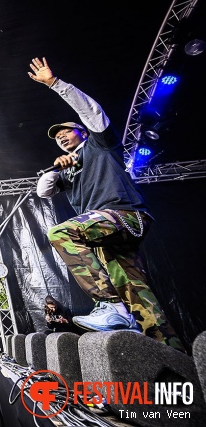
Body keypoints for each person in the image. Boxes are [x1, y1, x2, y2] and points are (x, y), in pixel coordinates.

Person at [30, 57, 182, 351]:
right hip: (108, 235)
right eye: (57, 137)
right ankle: (170, 351)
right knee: (136, 290)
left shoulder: (100, 144)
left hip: (124, 215)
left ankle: (109, 305)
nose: (61, 137)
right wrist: (55, 170)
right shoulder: (66, 170)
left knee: (61, 233)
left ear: (83, 132)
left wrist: (55, 84)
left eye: (66, 131)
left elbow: (92, 112)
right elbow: (43, 191)